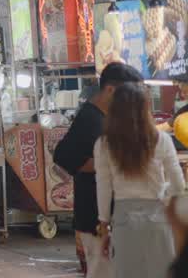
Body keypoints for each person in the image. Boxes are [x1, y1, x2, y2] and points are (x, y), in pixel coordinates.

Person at [54, 62, 144, 278]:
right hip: (95, 216)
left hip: (108, 216)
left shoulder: (105, 118)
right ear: (111, 90)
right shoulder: (90, 119)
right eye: (130, 94)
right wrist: (107, 165)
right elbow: (63, 157)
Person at [94, 81, 183, 276]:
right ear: (145, 108)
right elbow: (178, 185)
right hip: (159, 219)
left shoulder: (103, 145)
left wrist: (104, 225)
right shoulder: (162, 140)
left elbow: (103, 187)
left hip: (123, 221)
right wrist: (164, 193)